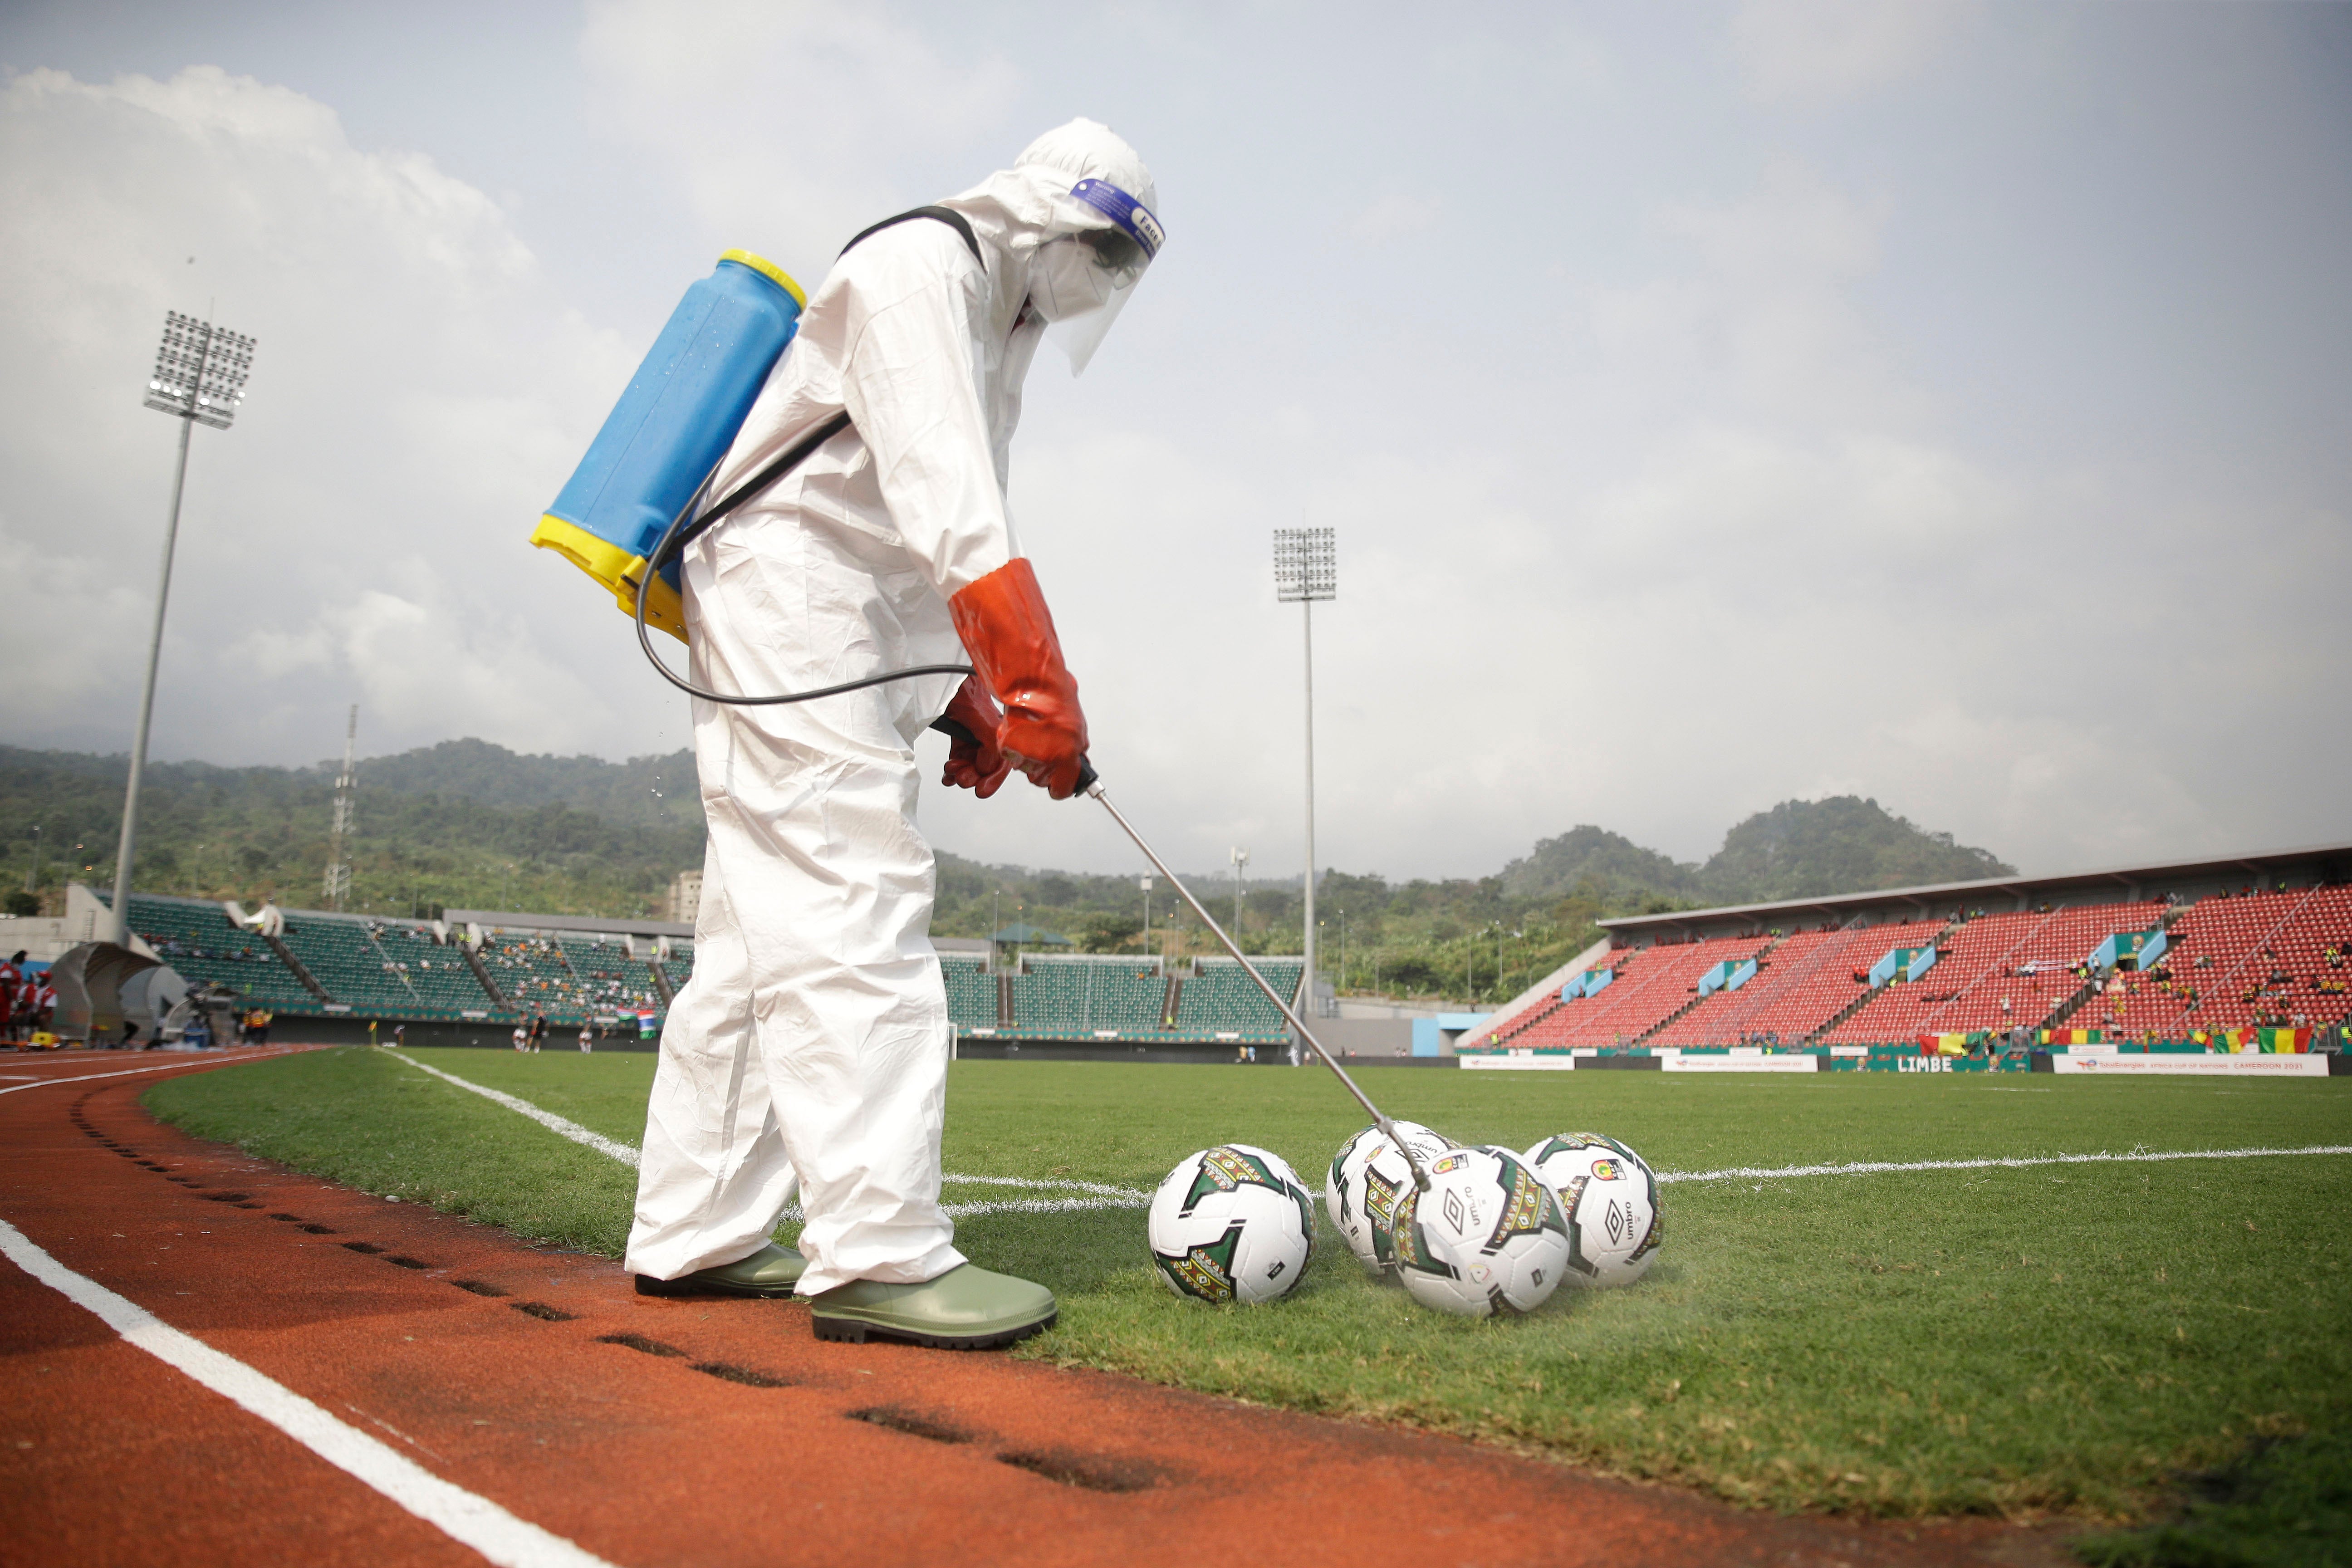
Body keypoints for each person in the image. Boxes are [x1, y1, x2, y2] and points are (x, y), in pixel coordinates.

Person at [626, 120, 1161, 1351]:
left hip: (838, 608)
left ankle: (693, 1230)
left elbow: (915, 544)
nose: (1104, 280)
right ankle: (878, 1254)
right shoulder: (929, 268)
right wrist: (1033, 683)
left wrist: (958, 698)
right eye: (1101, 249)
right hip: (790, 589)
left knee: (763, 942)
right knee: (853, 894)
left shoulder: (994, 317)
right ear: (1045, 216)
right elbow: (949, 509)